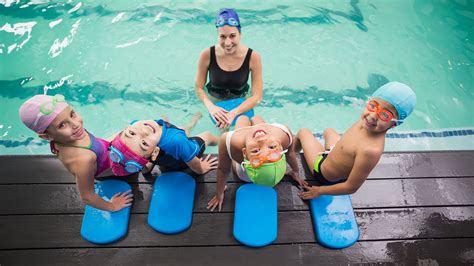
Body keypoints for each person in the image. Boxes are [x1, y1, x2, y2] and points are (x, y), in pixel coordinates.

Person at [296, 82, 416, 200]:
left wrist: (319, 191)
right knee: (328, 131)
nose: (373, 116)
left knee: (303, 132)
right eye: (373, 106)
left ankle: (291, 164)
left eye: (385, 115)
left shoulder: (370, 150)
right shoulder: (368, 122)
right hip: (334, 154)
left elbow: (351, 187)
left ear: (394, 124)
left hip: (324, 172)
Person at [19, 94, 133, 212]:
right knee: (146, 153)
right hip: (110, 168)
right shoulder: (83, 159)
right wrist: (112, 206)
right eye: (62, 125)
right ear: (47, 136)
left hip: (104, 152)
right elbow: (87, 197)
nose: (76, 124)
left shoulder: (66, 138)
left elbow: (95, 146)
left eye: (72, 114)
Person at [207, 115, 307, 212]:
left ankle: (244, 120)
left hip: (245, 175)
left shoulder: (230, 140)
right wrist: (295, 171)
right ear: (280, 146)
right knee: (256, 118)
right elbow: (290, 153)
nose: (261, 139)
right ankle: (254, 125)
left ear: (244, 153)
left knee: (242, 118)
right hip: (257, 171)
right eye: (272, 147)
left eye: (256, 151)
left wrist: (219, 194)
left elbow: (223, 170)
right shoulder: (283, 133)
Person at [195, 8, 263, 128]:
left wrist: (234, 112)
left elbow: (257, 96)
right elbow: (198, 88)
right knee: (222, 134)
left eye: (232, 36)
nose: (227, 42)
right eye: (222, 37)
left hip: (241, 100)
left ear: (240, 34)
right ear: (217, 36)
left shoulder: (253, 57)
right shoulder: (207, 55)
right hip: (215, 101)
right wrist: (211, 107)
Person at [108, 117, 219, 177]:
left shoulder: (137, 125)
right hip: (181, 162)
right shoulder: (176, 140)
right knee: (207, 135)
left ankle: (187, 124)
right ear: (155, 152)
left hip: (165, 160)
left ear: (127, 128)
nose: (143, 131)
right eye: (144, 143)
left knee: (182, 131)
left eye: (131, 133)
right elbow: (193, 163)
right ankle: (222, 138)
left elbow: (145, 168)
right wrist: (201, 169)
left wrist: (146, 172)